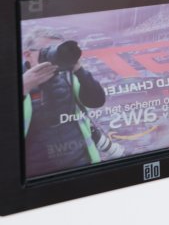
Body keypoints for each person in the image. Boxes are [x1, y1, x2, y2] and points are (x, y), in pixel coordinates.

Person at [21, 28, 109, 178]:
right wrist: (24, 87)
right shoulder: (14, 81)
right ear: (28, 54)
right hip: (36, 173)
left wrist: (79, 70)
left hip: (81, 164)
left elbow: (97, 101)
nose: (55, 56)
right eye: (48, 50)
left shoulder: (69, 77)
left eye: (58, 50)